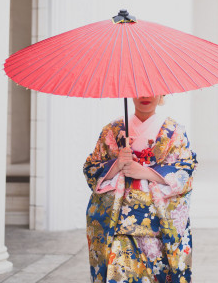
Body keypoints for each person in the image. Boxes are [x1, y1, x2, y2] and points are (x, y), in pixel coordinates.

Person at [84, 95, 197, 283]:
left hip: (158, 224)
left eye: (152, 89)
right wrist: (117, 164)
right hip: (119, 223)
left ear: (162, 93)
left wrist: (144, 172)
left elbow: (184, 172)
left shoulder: (174, 132)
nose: (145, 95)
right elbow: (91, 168)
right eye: (139, 89)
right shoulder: (112, 131)